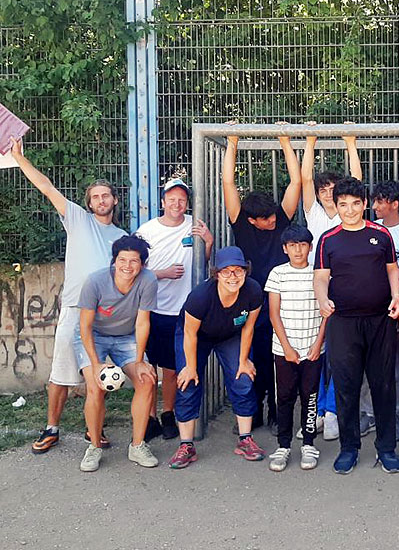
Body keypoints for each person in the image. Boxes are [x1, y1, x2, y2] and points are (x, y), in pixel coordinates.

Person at [11, 138, 128, 454]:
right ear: (89, 203)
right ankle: (52, 427)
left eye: (106, 195)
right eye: (95, 197)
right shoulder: (77, 219)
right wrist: (20, 159)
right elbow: (47, 187)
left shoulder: (124, 238)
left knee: (99, 376)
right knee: (61, 374)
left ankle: (95, 431)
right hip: (75, 308)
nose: (101, 200)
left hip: (104, 315)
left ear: (115, 201)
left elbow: (131, 276)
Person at [313, 177, 399, 474]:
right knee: (347, 386)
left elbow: (393, 270)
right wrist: (322, 299)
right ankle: (349, 447)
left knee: (383, 385)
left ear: (365, 204)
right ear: (336, 206)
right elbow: (321, 277)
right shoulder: (328, 239)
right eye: (343, 204)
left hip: (379, 320)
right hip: (342, 323)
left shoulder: (381, 235)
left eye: (355, 203)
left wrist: (397, 298)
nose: (349, 210)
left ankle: (387, 448)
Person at [222, 131, 301, 431]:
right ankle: (251, 411)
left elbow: (295, 183)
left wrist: (285, 142)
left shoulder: (280, 218)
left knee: (277, 357)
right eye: (265, 219)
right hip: (250, 300)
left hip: (280, 300)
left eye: (272, 217)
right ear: (252, 220)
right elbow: (228, 184)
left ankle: (275, 411)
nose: (272, 221)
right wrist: (232, 143)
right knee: (250, 355)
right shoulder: (242, 222)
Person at [167, 247, 266, 469]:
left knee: (243, 378)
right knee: (187, 382)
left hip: (231, 335)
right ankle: (186, 445)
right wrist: (190, 367)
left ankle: (245, 440)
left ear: (246, 271)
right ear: (216, 274)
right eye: (226, 272)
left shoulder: (253, 291)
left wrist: (243, 361)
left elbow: (249, 328)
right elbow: (190, 333)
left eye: (238, 271)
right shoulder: (201, 296)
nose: (233, 277)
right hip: (196, 336)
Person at [135, 178, 213, 441]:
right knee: (147, 368)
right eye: (171, 199)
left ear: (187, 203)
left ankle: (168, 414)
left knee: (171, 369)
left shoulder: (195, 225)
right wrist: (162, 274)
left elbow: (203, 264)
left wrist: (209, 243)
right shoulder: (146, 231)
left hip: (182, 310)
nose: (176, 204)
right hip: (152, 309)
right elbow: (133, 269)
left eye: (181, 200)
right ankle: (149, 418)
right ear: (162, 202)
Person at [75, 235, 159, 472]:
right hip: (94, 336)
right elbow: (84, 327)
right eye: (122, 260)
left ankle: (138, 445)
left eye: (134, 261)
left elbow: (143, 323)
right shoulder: (95, 281)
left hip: (127, 337)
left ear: (142, 264)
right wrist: (96, 364)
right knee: (94, 386)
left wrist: (141, 361)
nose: (127, 266)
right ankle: (94, 446)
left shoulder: (148, 280)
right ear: (114, 260)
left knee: (147, 380)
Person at [301, 128, 362, 442]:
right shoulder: (313, 215)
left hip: (346, 291)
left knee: (339, 354)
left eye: (332, 189)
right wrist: (309, 143)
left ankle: (332, 412)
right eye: (322, 188)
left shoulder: (346, 215)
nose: (326, 193)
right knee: (317, 354)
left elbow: (357, 180)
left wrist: (350, 145)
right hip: (318, 291)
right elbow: (304, 180)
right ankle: (318, 412)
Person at [266, 225, 327, 472]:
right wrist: (287, 348)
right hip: (284, 350)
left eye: (302, 245)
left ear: (310, 247)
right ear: (285, 249)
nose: (298, 250)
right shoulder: (277, 274)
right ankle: (283, 445)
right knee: (285, 397)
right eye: (292, 245)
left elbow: (326, 312)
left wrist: (318, 343)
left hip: (313, 349)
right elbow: (274, 314)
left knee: (310, 397)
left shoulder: (319, 274)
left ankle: (309, 444)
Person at [364, 181, 399, 439]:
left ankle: (395, 415)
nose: (374, 206)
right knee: (368, 362)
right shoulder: (369, 231)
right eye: (374, 201)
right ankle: (367, 413)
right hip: (370, 306)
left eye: (380, 201)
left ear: (395, 204)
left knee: (395, 364)